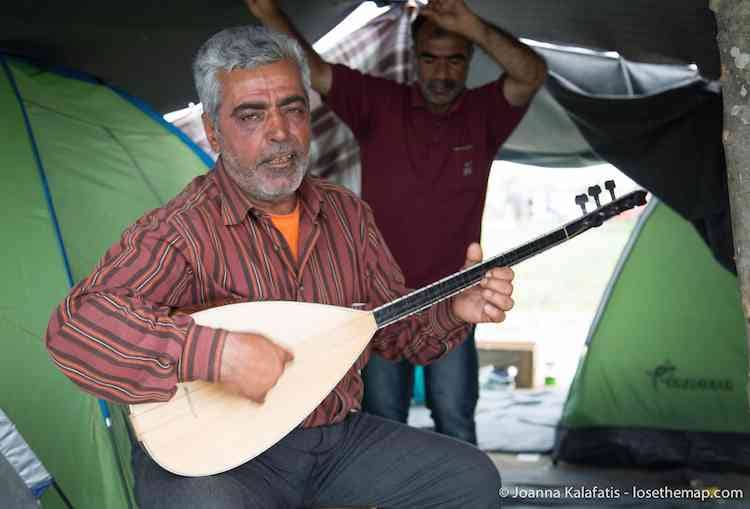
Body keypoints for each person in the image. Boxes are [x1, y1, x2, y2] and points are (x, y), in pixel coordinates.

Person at [45, 26, 516, 508]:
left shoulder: (348, 216)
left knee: (469, 477)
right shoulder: (180, 231)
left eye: (292, 108)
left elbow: (393, 332)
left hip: (332, 442)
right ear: (212, 131)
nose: (279, 133)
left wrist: (458, 308)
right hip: (217, 455)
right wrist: (215, 354)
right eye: (251, 116)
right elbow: (74, 328)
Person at [247, 0, 547, 444]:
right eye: (430, 58)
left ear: (469, 62)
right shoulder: (379, 104)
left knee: (456, 426)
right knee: (385, 427)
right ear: (414, 57)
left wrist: (472, 26)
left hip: (454, 301)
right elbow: (313, 69)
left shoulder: (484, 115)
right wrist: (270, 13)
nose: (442, 74)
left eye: (454, 60)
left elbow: (531, 74)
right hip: (382, 305)